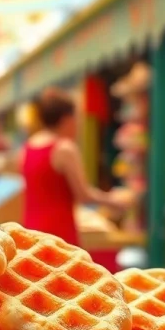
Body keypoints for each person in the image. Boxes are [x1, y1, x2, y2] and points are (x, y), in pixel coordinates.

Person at [22, 87, 124, 246]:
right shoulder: (64, 148)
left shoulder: (29, 146)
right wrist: (114, 200)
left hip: (31, 227)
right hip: (58, 231)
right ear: (66, 119)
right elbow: (83, 194)